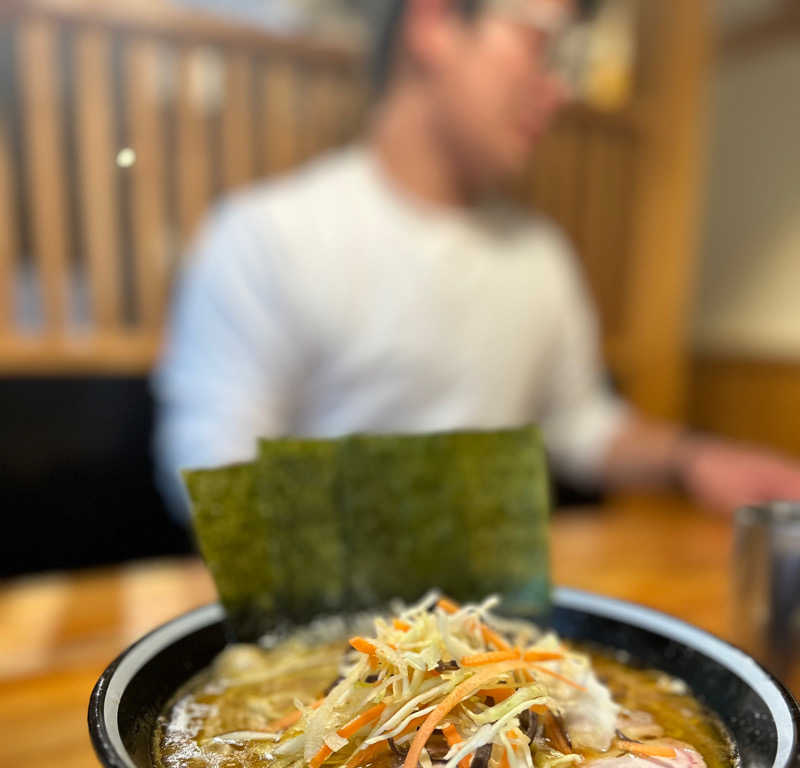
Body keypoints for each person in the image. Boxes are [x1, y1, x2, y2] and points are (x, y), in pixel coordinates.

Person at [154, 0, 800, 519]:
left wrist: (690, 460)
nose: (556, 91)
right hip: (324, 636)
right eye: (539, 45)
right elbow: (210, 469)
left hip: (496, 636)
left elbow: (579, 422)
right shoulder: (268, 235)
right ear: (434, 23)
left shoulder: (539, 254)